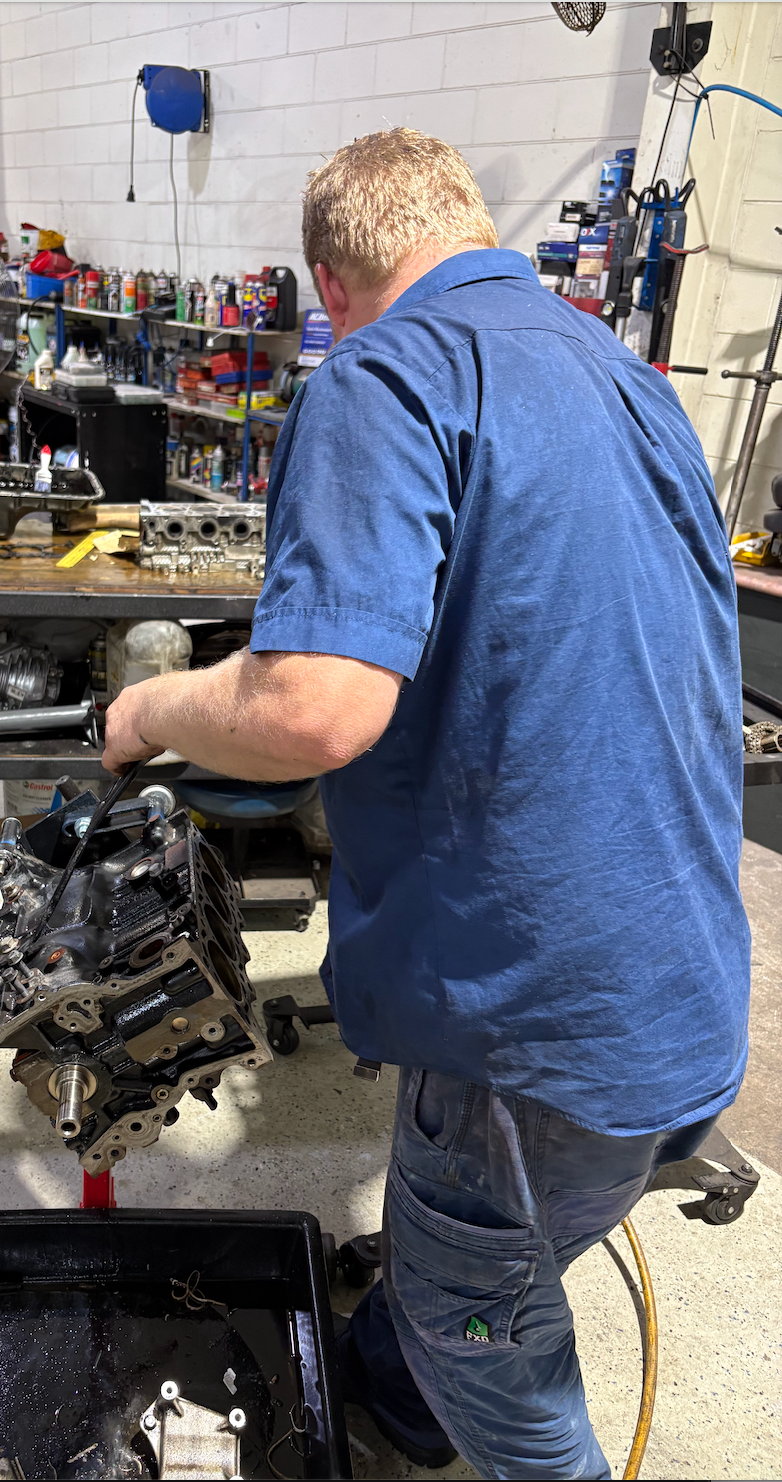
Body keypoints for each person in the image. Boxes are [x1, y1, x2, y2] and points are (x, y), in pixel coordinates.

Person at [101, 129, 750, 1480]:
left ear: (332, 282)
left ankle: (445, 1377)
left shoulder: (379, 376)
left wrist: (153, 710)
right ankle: (400, 1395)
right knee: (495, 1257)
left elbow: (311, 709)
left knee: (499, 1361)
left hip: (535, 1035)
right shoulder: (628, 378)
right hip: (688, 990)